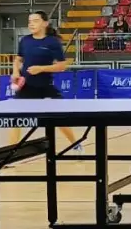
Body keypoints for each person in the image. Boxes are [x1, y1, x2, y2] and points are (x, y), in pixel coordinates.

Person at [10, 11, 82, 153]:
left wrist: (41, 69)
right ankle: (11, 151)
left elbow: (62, 66)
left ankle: (76, 144)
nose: (31, 24)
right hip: (27, 87)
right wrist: (15, 72)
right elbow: (18, 59)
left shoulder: (52, 42)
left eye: (35, 21)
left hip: (45, 86)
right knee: (16, 119)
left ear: (45, 23)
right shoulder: (25, 41)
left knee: (59, 119)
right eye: (29, 21)